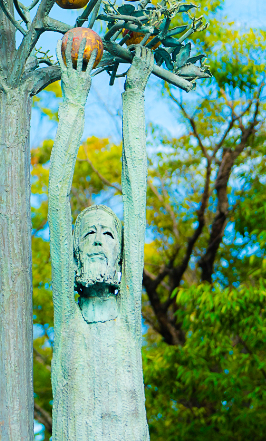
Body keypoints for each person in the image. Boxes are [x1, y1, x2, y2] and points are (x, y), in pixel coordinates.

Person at [47, 44, 154, 440]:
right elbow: (57, 198)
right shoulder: (68, 318)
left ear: (121, 254)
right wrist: (74, 102)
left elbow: (136, 193)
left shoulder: (128, 317)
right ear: (73, 255)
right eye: (88, 233)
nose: (97, 241)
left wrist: (134, 96)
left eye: (108, 234)